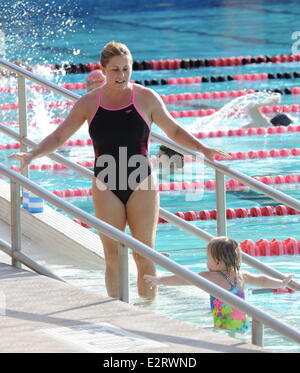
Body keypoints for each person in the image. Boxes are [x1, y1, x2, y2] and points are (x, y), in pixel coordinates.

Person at [8, 41, 230, 300]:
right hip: (106, 182)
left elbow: (175, 130)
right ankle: (119, 308)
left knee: (144, 252)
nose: (122, 76)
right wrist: (33, 154)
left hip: (142, 181)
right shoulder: (89, 103)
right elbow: (59, 136)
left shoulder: (146, 98)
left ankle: (149, 311)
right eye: (115, 70)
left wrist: (203, 149)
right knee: (112, 255)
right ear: (102, 70)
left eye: (126, 69)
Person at [144, 236, 294, 330]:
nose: (206, 262)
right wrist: (280, 283)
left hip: (222, 325)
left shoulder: (211, 277)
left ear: (216, 261)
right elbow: (262, 280)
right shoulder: (242, 275)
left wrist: (160, 280)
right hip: (242, 324)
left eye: (207, 258)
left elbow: (184, 278)